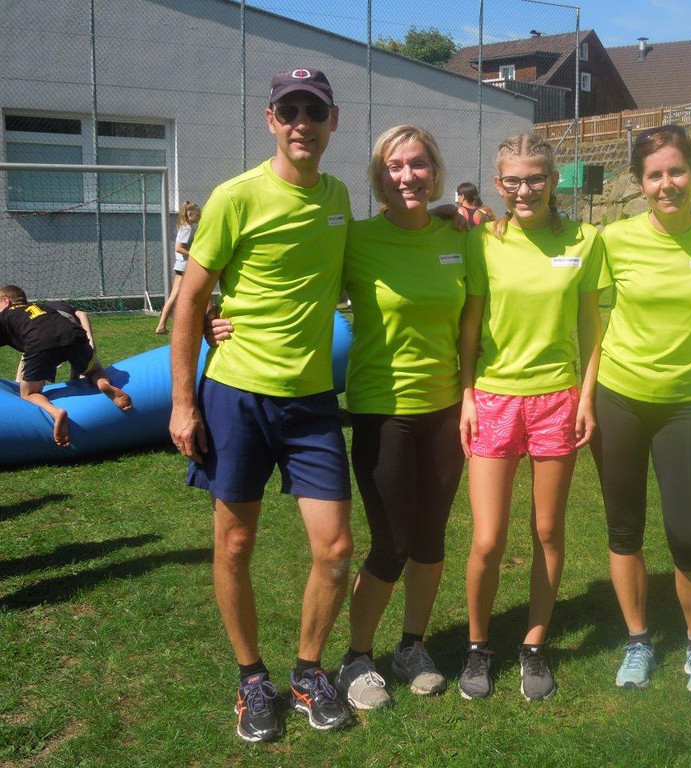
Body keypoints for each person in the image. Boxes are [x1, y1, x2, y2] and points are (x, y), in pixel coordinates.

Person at [169, 68, 354, 743]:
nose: (302, 122)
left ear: (333, 120)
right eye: (290, 111)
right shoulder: (235, 195)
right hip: (237, 395)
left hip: (311, 401)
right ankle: (252, 678)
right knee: (235, 542)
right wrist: (183, 403)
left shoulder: (338, 198)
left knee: (336, 549)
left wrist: (453, 218)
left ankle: (308, 672)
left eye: (314, 111)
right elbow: (191, 299)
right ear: (271, 120)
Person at [593, 126, 691, 693]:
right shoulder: (614, 240)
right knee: (624, 528)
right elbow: (580, 303)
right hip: (618, 399)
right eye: (655, 175)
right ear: (640, 184)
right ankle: (638, 641)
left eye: (676, 171)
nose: (667, 184)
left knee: (688, 534)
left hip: (684, 405)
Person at [457, 133, 602, 702]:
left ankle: (534, 644)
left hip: (557, 399)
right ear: (498, 184)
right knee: (488, 538)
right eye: (513, 180)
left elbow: (590, 326)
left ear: (553, 180)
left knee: (547, 530)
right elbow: (470, 326)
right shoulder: (482, 242)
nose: (525, 189)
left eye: (536, 178)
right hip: (494, 398)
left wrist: (586, 397)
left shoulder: (585, 240)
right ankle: (477, 646)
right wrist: (467, 394)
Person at [332, 126, 467, 710]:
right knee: (391, 541)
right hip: (381, 411)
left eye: (418, 164)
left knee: (430, 538)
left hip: (446, 410)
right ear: (379, 176)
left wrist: (457, 214)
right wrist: (221, 317)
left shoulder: (460, 237)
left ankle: (412, 646)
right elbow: (295, 284)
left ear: (435, 171)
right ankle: (357, 658)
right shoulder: (356, 240)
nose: (407, 175)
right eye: (395, 166)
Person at [0, 285, 132, 446]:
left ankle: (56, 412)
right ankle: (103, 384)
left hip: (39, 342)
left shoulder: (4, 315)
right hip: (72, 334)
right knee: (95, 370)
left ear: (6, 301)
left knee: (29, 394)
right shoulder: (41, 307)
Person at [155, 201, 201, 335]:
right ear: (190, 214)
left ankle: (163, 325)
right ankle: (162, 325)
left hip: (182, 266)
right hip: (185, 267)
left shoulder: (185, 227)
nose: (200, 216)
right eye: (198, 214)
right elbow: (179, 248)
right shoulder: (187, 229)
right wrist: (194, 255)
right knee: (181, 295)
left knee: (178, 295)